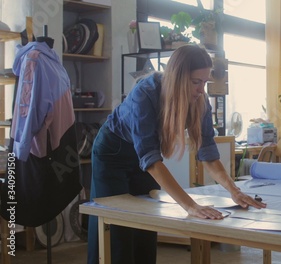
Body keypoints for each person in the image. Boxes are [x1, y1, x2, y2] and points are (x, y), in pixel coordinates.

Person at [87, 44, 266, 264]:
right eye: (195, 82)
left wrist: (234, 190)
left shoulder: (200, 102)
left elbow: (208, 154)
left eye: (205, 82)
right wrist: (190, 206)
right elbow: (152, 160)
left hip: (140, 158)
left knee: (146, 224)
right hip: (112, 153)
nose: (201, 90)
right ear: (178, 78)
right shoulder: (145, 93)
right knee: (116, 229)